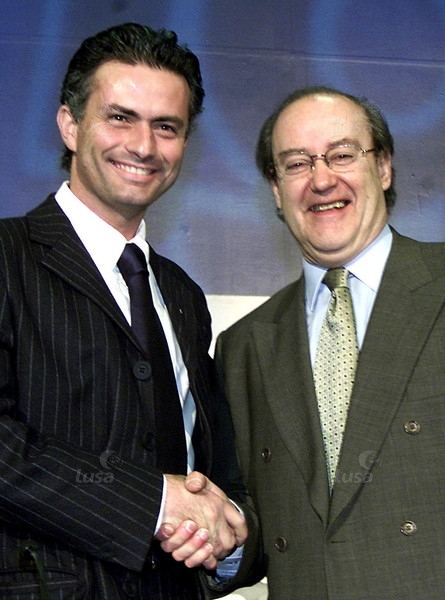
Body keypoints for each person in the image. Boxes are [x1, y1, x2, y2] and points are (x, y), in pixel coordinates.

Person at [0, 23, 262, 599]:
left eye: (166, 126)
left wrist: (230, 532)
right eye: (120, 117)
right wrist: (154, 502)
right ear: (70, 125)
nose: (144, 146)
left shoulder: (183, 296)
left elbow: (214, 473)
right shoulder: (7, 256)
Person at [216, 85, 445, 599]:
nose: (321, 180)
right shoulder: (244, 348)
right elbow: (260, 527)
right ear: (276, 190)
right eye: (296, 164)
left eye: (342, 155)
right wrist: (217, 538)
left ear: (383, 167)